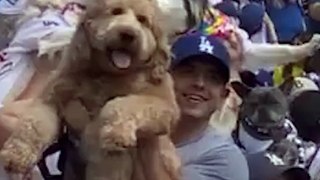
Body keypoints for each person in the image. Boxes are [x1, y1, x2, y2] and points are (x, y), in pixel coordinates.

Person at [169, 31, 248, 180]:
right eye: (188, 71)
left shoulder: (224, 159)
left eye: (213, 78)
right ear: (164, 77)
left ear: (223, 95)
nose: (199, 83)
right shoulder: (131, 122)